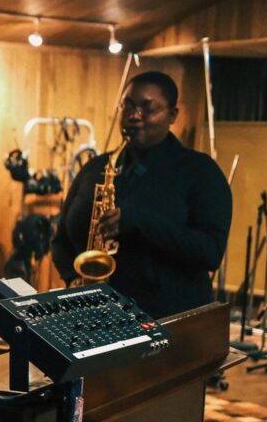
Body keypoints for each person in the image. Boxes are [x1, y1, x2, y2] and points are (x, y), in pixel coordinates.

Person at [51, 71, 232, 319]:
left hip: (167, 322)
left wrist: (138, 222)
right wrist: (72, 279)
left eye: (148, 109)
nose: (135, 116)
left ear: (172, 115)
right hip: (95, 317)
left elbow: (210, 252)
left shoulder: (200, 171)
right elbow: (61, 238)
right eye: (128, 107)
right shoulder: (96, 168)